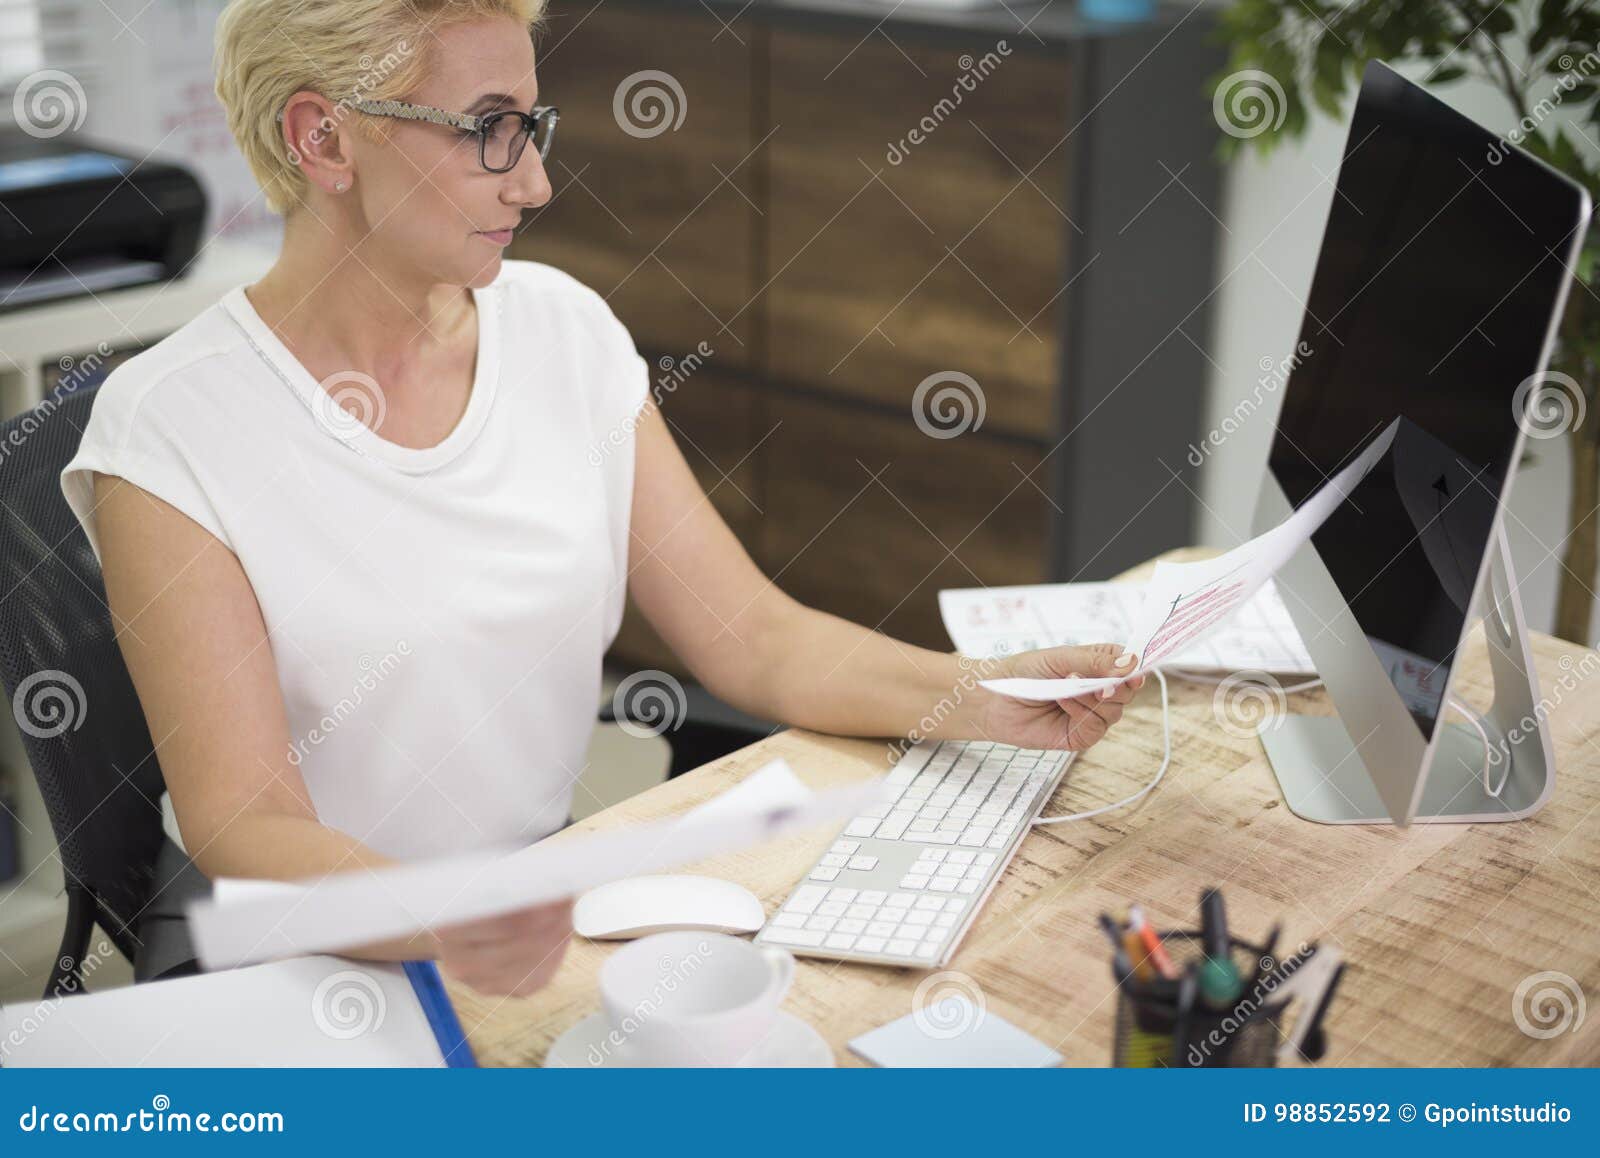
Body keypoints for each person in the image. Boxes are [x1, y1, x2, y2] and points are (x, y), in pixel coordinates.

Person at [60, 0, 1143, 998]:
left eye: (534, 126)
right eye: (487, 128)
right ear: (324, 138)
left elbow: (755, 639)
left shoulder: (561, 333)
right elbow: (246, 822)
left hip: (536, 919)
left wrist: (979, 694)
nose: (531, 182)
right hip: (313, 969)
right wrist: (451, 917)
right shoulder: (171, 428)